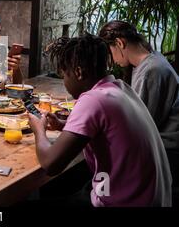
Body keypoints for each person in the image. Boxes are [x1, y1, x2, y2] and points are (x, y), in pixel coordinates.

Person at [27, 34, 172, 207]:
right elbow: (105, 130)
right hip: (155, 199)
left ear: (78, 72)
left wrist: (39, 130)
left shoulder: (92, 99)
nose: (65, 82)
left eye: (64, 75)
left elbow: (51, 164)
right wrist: (63, 125)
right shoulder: (121, 88)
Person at [99, 20, 179, 204]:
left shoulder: (152, 70)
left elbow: (139, 125)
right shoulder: (151, 60)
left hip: (167, 150)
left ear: (119, 43)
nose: (113, 61)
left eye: (110, 53)